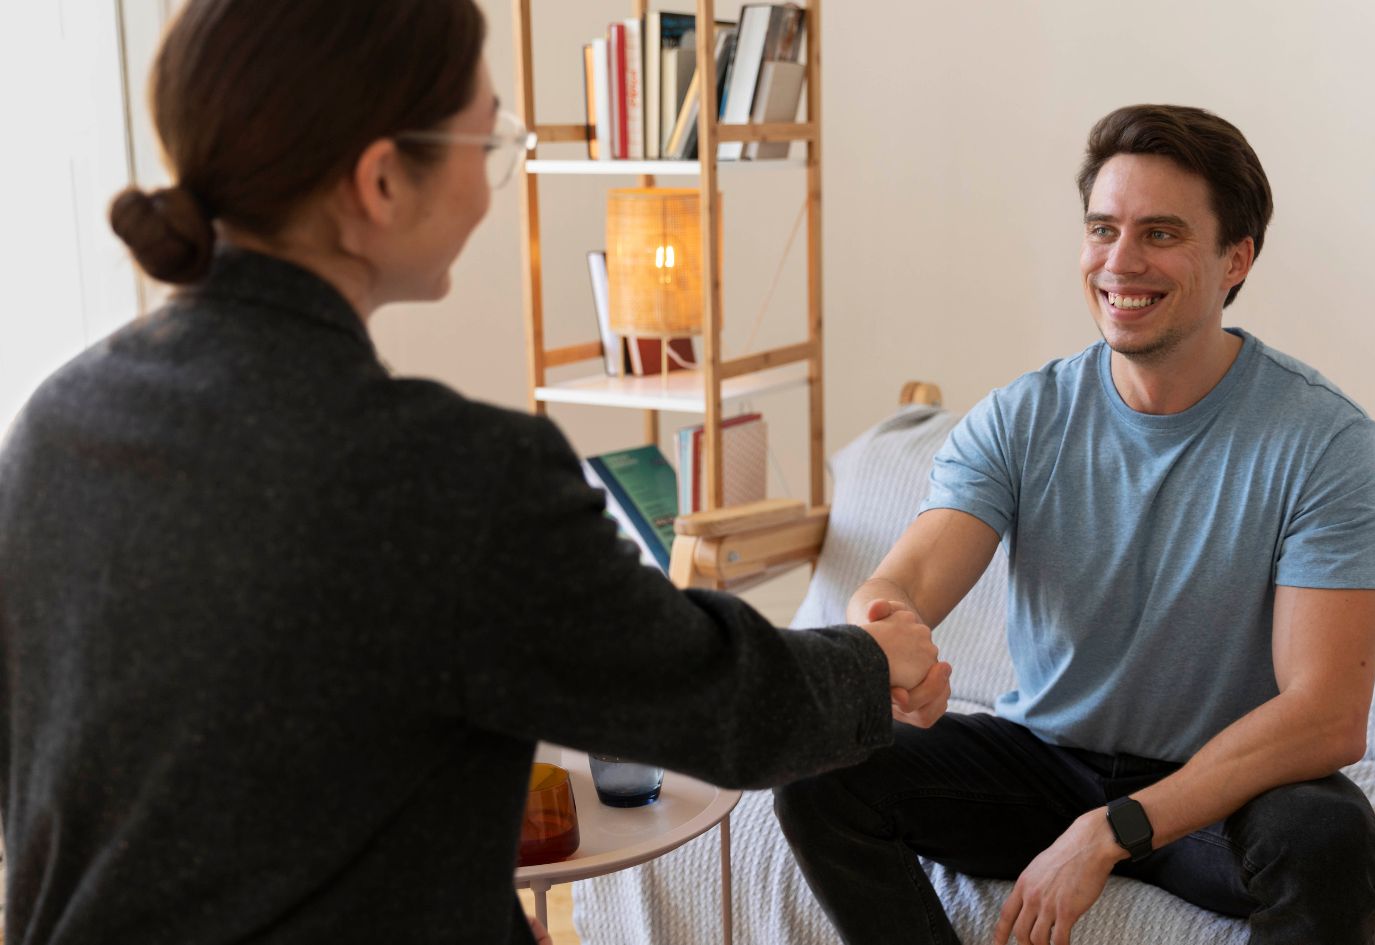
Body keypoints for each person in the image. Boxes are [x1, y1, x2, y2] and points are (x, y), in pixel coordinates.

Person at [0, 2, 946, 943]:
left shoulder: (56, 421)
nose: (495, 176)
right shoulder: (448, 478)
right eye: (485, 136)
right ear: (380, 181)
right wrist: (873, 663)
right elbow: (722, 700)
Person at [773, 104, 1375, 945]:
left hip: (1221, 786)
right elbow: (907, 581)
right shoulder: (1023, 416)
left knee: (1330, 842)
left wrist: (1112, 829)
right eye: (1103, 228)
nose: (1120, 261)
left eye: (1161, 234)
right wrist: (884, 631)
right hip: (1042, 761)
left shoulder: (1325, 440)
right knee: (818, 763)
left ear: (1235, 259)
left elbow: (1326, 714)